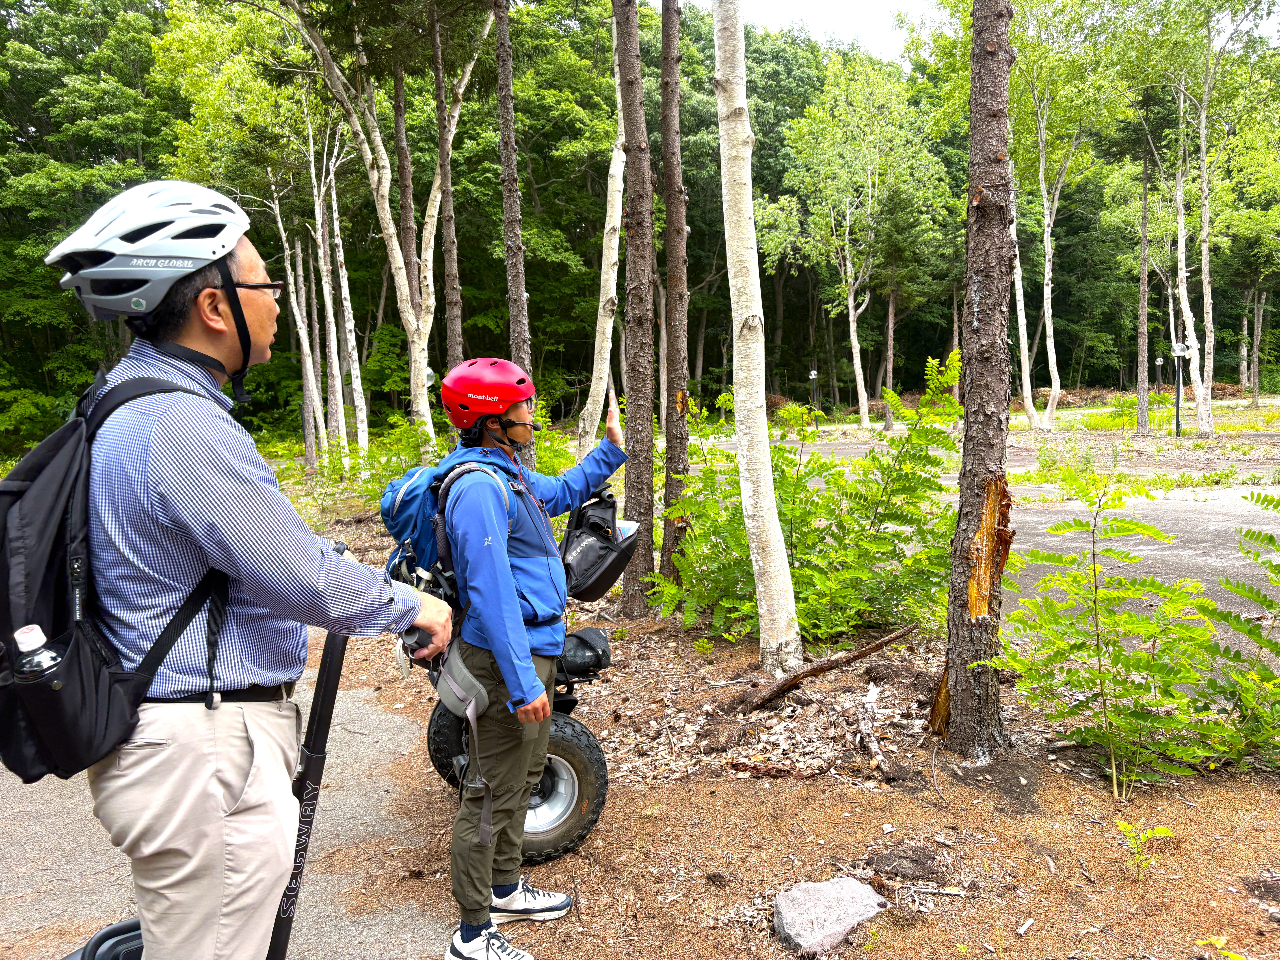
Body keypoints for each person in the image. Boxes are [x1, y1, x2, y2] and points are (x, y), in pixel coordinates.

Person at [43, 181, 454, 960]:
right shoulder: (180, 422)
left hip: (182, 741)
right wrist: (412, 608)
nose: (274, 303)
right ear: (214, 306)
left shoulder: (127, 402)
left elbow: (256, 551)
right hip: (204, 745)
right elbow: (300, 579)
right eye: (263, 284)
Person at [407, 359, 626, 960]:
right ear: (490, 418)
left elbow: (562, 492)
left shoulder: (509, 476)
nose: (532, 416)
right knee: (486, 791)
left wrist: (609, 453)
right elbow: (492, 596)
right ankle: (472, 931)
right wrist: (524, 680)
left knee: (521, 780)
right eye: (523, 407)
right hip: (506, 661)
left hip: (533, 652)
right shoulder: (478, 487)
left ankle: (504, 888)